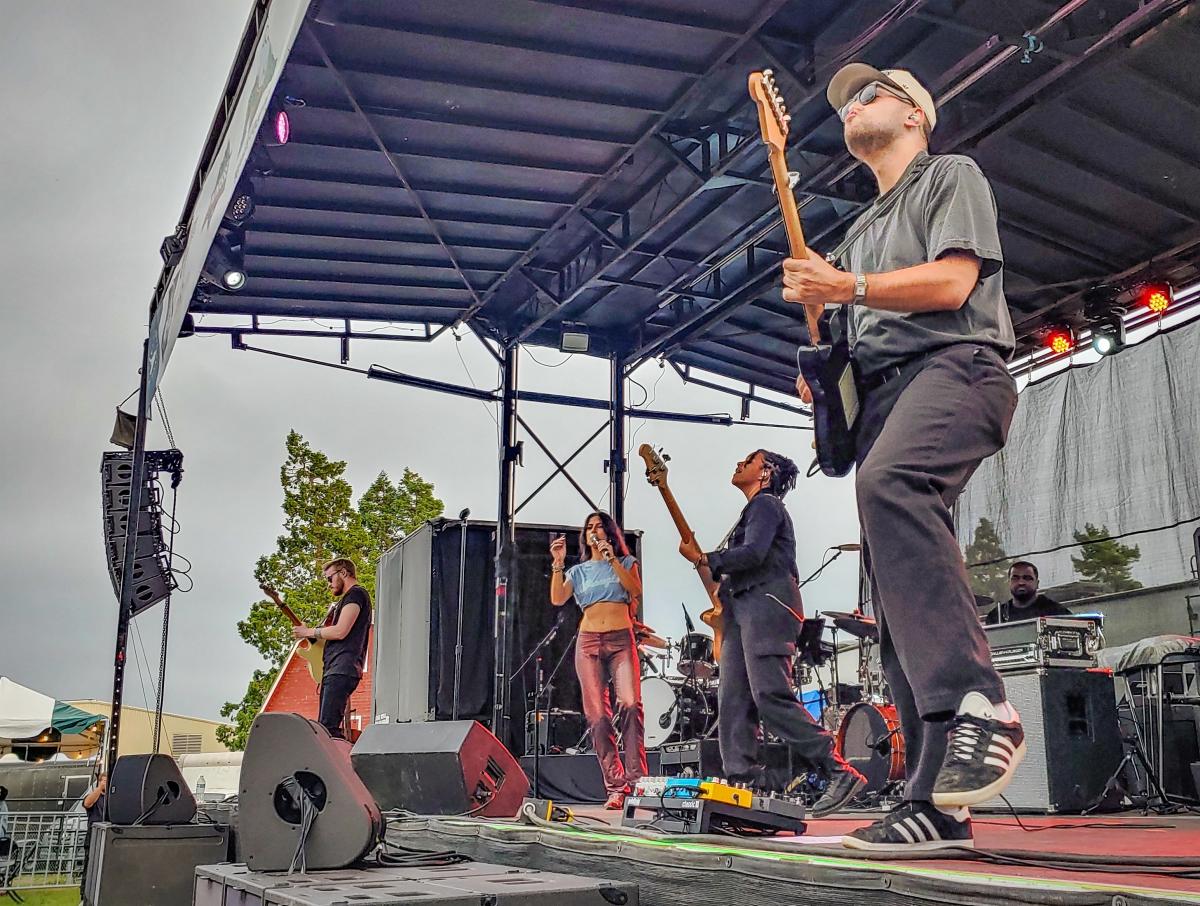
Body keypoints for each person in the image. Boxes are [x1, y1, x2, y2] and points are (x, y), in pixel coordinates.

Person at [784, 64, 1026, 851]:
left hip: (957, 367)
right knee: (891, 592)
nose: (855, 102)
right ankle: (936, 801)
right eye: (849, 98)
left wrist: (848, 285)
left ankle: (980, 704)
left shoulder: (949, 177)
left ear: (918, 114)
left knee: (892, 487)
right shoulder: (858, 232)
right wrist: (822, 373)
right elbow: (850, 350)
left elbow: (955, 283)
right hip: (888, 395)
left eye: (874, 90)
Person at [679, 450, 867, 818]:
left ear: (766, 473)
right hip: (741, 609)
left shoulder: (767, 506)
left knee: (769, 696)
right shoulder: (753, 510)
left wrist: (705, 559)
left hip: (767, 606)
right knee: (734, 700)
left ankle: (838, 770)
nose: (738, 463)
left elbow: (753, 553)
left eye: (748, 460)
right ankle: (742, 781)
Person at [550, 512, 646, 809]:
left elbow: (635, 590)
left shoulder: (627, 563)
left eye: (599, 526)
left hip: (620, 638)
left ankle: (636, 781)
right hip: (589, 641)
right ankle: (616, 786)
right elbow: (557, 598)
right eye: (589, 528)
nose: (594, 531)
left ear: (609, 533)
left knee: (630, 705)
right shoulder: (578, 572)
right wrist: (558, 562)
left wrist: (612, 559)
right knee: (597, 717)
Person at [265, 558, 372, 740]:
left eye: (330, 579)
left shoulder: (356, 595)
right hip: (336, 669)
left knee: (326, 729)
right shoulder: (348, 600)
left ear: (344, 573)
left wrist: (309, 631)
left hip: (342, 668)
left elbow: (340, 631)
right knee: (325, 727)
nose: (329, 585)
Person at [985, 562, 1072, 625]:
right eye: (1015, 578)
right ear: (1009, 583)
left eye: (1027, 578)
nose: (1021, 582)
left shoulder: (1056, 612)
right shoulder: (996, 616)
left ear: (1037, 583)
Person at [79, 772, 106, 901]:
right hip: (94, 834)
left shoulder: (112, 798)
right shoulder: (94, 796)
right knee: (90, 866)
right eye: (104, 781)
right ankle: (84, 897)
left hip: (108, 835)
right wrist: (99, 789)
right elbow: (87, 804)